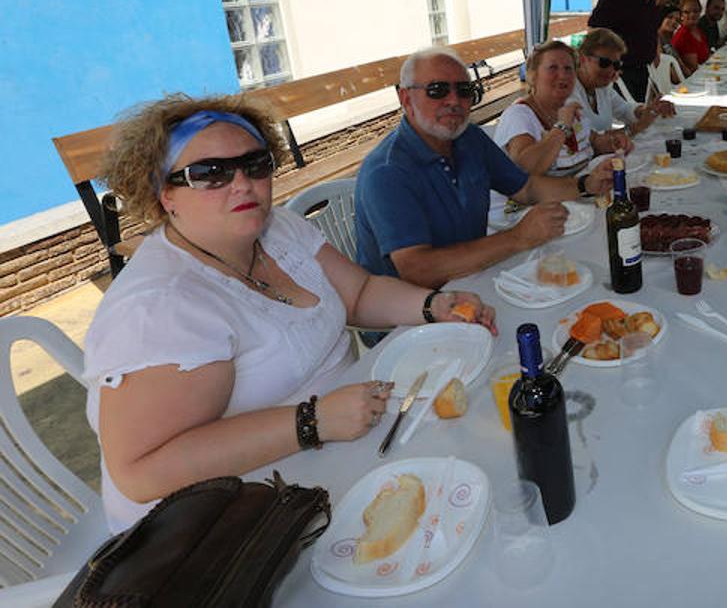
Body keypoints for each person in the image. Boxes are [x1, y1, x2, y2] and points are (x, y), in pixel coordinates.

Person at [83, 94, 500, 531]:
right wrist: (311, 422)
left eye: (256, 164)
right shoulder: (160, 308)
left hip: (341, 447)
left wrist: (433, 304)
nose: (242, 183)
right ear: (165, 193)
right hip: (227, 526)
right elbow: (143, 470)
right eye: (210, 173)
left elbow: (358, 294)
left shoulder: (277, 227)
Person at [355, 46, 613, 287]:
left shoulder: (468, 138)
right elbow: (417, 268)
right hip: (412, 314)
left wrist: (585, 184)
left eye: (465, 90)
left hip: (473, 276)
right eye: (437, 90)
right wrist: (517, 237)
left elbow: (526, 187)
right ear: (406, 98)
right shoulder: (387, 171)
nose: (454, 100)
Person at [495, 41, 629, 175]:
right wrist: (562, 127)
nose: (563, 75)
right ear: (533, 76)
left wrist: (612, 142)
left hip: (584, 191)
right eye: (553, 67)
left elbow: (592, 140)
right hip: (549, 195)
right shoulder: (518, 115)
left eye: (568, 68)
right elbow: (523, 170)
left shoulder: (569, 107)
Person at [573, 28, 676, 141]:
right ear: (583, 59)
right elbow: (588, 141)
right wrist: (637, 127)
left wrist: (649, 110)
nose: (611, 70)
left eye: (616, 65)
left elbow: (624, 109)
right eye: (604, 63)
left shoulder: (601, 88)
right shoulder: (568, 93)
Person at [588, 0, 660, 100]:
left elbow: (651, 25)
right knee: (631, 116)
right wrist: (608, 62)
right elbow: (594, 28)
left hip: (644, 67)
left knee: (644, 114)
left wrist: (656, 49)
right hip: (622, 70)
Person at [671, 0, 711, 71]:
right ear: (681, 15)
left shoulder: (698, 30)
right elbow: (693, 68)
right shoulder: (683, 36)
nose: (692, 15)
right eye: (687, 12)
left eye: (695, 11)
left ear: (700, 12)